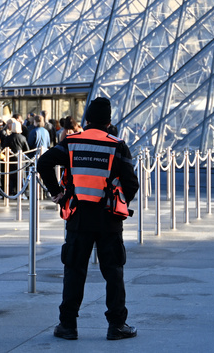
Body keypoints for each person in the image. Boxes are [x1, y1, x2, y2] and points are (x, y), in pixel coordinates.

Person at [37, 97, 139, 341]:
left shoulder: (72, 142)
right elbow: (132, 184)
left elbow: (43, 163)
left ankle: (67, 325)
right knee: (113, 272)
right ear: (109, 121)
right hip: (108, 218)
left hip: (78, 217)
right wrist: (119, 201)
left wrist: (58, 194)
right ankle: (117, 325)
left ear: (88, 119)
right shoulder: (117, 145)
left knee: (74, 271)